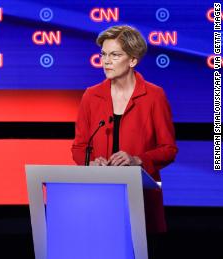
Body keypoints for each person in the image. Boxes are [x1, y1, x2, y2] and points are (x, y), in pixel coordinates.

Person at [71, 25, 178, 238]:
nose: (106, 61)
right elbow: (79, 147)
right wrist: (90, 162)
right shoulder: (91, 96)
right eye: (103, 54)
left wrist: (137, 159)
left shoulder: (154, 96)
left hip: (141, 196)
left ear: (132, 60)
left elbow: (168, 149)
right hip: (101, 195)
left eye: (114, 55)